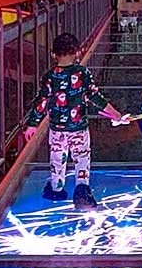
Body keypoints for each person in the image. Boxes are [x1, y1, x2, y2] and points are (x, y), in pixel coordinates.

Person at [24, 32, 130, 209]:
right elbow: (95, 97)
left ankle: (56, 190)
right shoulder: (82, 73)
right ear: (77, 52)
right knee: (82, 158)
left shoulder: (49, 76)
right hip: (79, 127)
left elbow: (41, 101)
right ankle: (82, 190)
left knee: (57, 158)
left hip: (57, 129)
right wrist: (115, 114)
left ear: (53, 54)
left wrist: (32, 124)